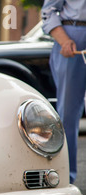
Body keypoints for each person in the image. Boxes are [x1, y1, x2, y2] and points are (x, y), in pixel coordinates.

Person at [41, 0, 86, 184]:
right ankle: (65, 177)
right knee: (67, 115)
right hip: (71, 37)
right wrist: (64, 40)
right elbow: (48, 12)